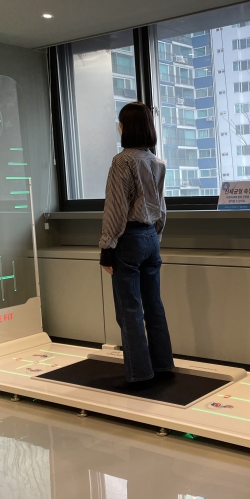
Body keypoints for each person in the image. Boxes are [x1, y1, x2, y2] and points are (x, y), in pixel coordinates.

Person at [99, 102, 174, 387]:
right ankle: (163, 365)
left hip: (128, 239)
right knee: (154, 306)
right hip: (151, 238)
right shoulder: (156, 162)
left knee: (129, 310)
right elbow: (161, 207)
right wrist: (155, 236)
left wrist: (107, 247)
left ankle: (140, 374)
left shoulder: (122, 161)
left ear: (125, 127)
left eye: (120, 122)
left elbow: (116, 208)